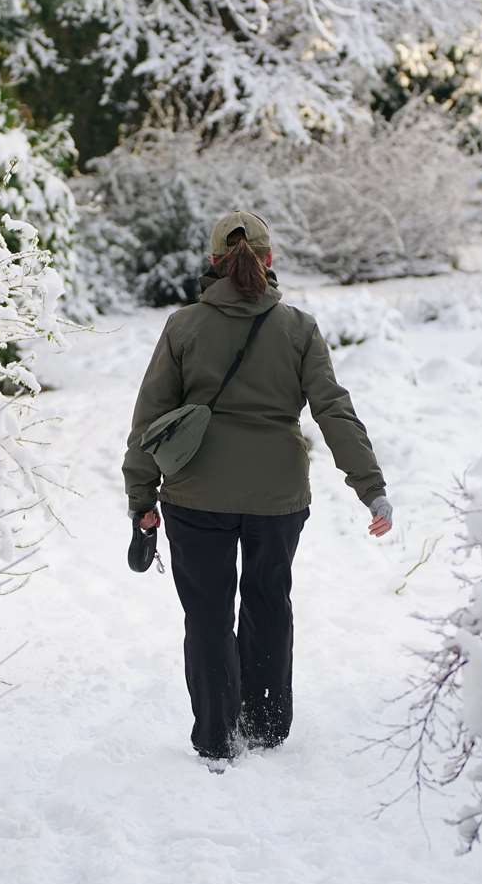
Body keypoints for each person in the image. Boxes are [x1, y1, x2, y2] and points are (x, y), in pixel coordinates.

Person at [122, 210, 392, 767]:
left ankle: (217, 737)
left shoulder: (183, 326)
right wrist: (371, 487)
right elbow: (333, 410)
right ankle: (266, 725)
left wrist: (141, 497)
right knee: (269, 603)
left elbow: (151, 417)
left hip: (195, 495)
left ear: (213, 261)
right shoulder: (299, 328)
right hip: (278, 498)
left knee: (209, 615)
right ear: (269, 261)